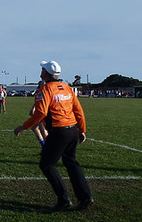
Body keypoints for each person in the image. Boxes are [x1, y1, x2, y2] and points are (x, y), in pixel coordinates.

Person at [14, 60, 93, 212]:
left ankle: (63, 199)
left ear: (46, 73)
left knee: (46, 164)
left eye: (43, 69)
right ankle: (85, 197)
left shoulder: (45, 90)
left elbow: (41, 113)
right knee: (71, 162)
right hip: (72, 131)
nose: (41, 71)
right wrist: (82, 130)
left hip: (59, 131)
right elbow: (78, 110)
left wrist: (23, 127)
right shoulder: (67, 88)